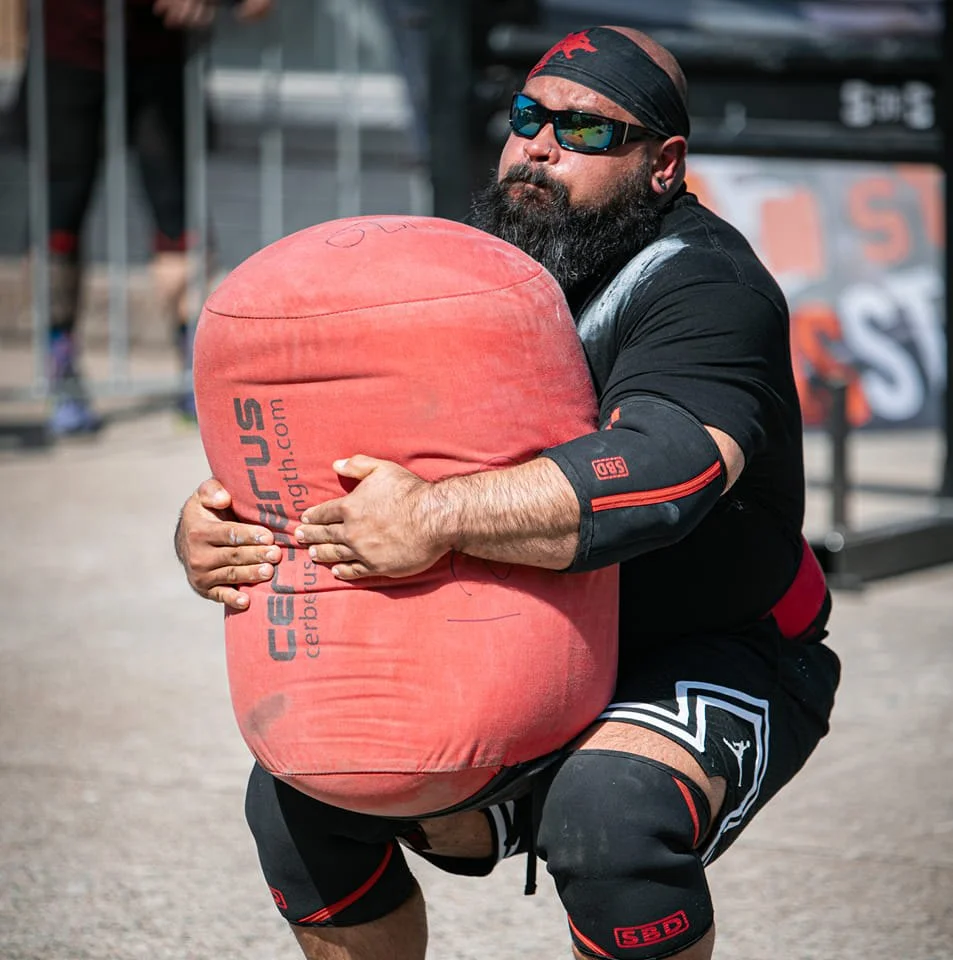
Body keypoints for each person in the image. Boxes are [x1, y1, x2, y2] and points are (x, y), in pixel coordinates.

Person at [174, 25, 840, 960]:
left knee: (610, 816)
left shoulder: (707, 284)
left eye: (586, 131)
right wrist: (220, 526)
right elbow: (340, 447)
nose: (540, 145)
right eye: (528, 117)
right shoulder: (470, 263)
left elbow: (671, 469)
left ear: (663, 163)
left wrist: (435, 517)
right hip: (523, 629)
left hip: (711, 642)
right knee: (302, 797)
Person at [12, 0, 271, 435]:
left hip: (163, 51)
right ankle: (61, 362)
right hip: (69, 45)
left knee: (179, 217)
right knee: (60, 217)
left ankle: (194, 368)